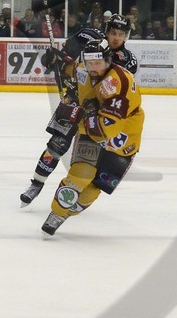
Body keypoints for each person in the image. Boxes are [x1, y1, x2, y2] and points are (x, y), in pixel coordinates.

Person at [20, 15, 138, 205]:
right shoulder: (87, 37)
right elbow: (63, 61)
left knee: (89, 157)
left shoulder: (128, 61)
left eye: (121, 34)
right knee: (56, 144)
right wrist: (53, 59)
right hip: (75, 99)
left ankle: (76, 193)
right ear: (106, 31)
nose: (116, 38)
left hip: (100, 114)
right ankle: (36, 184)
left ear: (127, 36)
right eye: (113, 33)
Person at [39, 46, 145, 237]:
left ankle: (67, 213)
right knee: (80, 176)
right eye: (90, 64)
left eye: (98, 63)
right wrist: (59, 63)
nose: (94, 68)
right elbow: (74, 69)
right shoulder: (84, 68)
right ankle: (57, 212)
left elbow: (106, 130)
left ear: (108, 61)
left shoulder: (117, 83)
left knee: (95, 188)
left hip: (122, 136)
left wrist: (80, 114)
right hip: (91, 130)